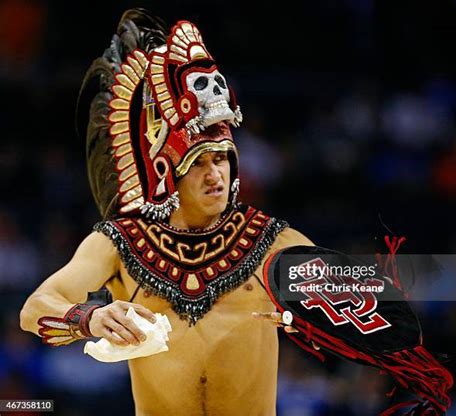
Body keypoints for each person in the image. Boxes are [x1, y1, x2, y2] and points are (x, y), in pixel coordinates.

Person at [19, 9, 312, 416]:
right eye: (199, 162)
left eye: (222, 160)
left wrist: (319, 320)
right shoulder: (121, 242)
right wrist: (90, 316)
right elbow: (35, 309)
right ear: (168, 171)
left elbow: (374, 297)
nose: (215, 176)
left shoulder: (272, 240)